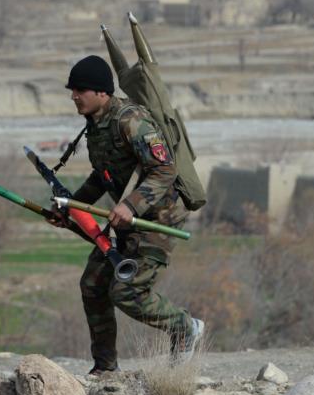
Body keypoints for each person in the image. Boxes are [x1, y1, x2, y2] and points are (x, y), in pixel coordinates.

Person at [54, 55, 203, 376]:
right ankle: (105, 368)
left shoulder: (131, 121)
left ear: (102, 93)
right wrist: (71, 207)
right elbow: (102, 176)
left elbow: (165, 169)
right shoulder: (95, 126)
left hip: (158, 220)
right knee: (93, 285)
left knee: (127, 292)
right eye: (72, 90)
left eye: (80, 90)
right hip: (126, 219)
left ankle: (185, 326)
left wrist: (131, 205)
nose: (74, 96)